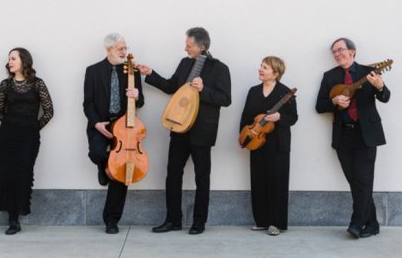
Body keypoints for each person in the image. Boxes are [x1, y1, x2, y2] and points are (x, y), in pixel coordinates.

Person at [138, 27, 231, 235]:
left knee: (201, 178)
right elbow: (172, 86)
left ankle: (199, 222)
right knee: (172, 175)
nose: (185, 48)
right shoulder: (184, 63)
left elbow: (225, 99)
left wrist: (203, 89)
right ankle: (173, 220)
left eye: (188, 46)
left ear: (202, 47)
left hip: (202, 132)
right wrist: (150, 73)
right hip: (179, 127)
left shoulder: (220, 68)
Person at [316, 38, 390, 239]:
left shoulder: (369, 72)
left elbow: (385, 97)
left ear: (352, 51)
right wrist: (334, 101)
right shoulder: (330, 76)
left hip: (366, 134)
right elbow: (320, 106)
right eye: (334, 51)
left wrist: (380, 86)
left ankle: (356, 223)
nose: (337, 54)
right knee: (356, 182)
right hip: (343, 136)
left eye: (340, 50)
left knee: (363, 181)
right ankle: (372, 224)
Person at [83, 33, 144, 234]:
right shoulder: (92, 71)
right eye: (120, 49)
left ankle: (111, 220)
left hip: (125, 126)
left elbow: (140, 102)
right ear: (108, 50)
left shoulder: (131, 70)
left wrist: (137, 95)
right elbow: (88, 102)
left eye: (125, 48)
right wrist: (96, 123)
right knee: (97, 153)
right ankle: (105, 166)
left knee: (123, 168)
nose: (125, 52)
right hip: (101, 124)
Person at [0, 48, 54, 235]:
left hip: (29, 138)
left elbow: (49, 111)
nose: (9, 62)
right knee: (7, 175)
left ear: (24, 61)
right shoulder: (5, 85)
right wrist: (13, 126)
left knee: (23, 174)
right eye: (8, 59)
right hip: (7, 137)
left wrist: (32, 128)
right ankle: (13, 220)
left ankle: (18, 213)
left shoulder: (37, 84)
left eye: (13, 58)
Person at [239, 56, 297, 236]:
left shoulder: (285, 92)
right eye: (261, 66)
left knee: (277, 182)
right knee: (258, 181)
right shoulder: (253, 91)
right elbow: (245, 115)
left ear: (276, 73)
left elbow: (293, 118)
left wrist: (279, 117)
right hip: (256, 140)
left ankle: (276, 223)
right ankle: (262, 221)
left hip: (278, 143)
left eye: (265, 67)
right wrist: (243, 136)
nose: (260, 69)